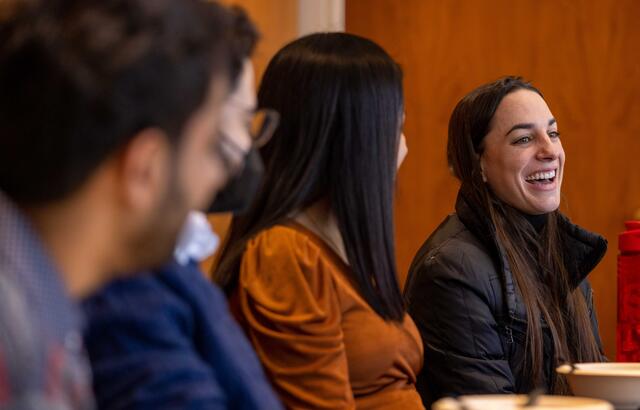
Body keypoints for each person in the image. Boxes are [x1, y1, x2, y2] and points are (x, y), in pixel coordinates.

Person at [0, 0, 237, 407]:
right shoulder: (18, 346)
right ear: (144, 168)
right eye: (212, 148)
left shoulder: (43, 305)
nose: (220, 176)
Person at [82, 8, 283, 409]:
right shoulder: (124, 293)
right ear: (146, 163)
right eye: (240, 123)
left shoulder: (165, 262)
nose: (241, 153)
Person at [214, 32, 424, 409]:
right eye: (395, 126)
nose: (404, 144)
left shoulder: (338, 251)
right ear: (359, 138)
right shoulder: (285, 255)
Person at [403, 76, 607, 407]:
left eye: (553, 133)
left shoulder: (564, 255)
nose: (549, 150)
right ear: (479, 164)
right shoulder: (451, 270)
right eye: (524, 139)